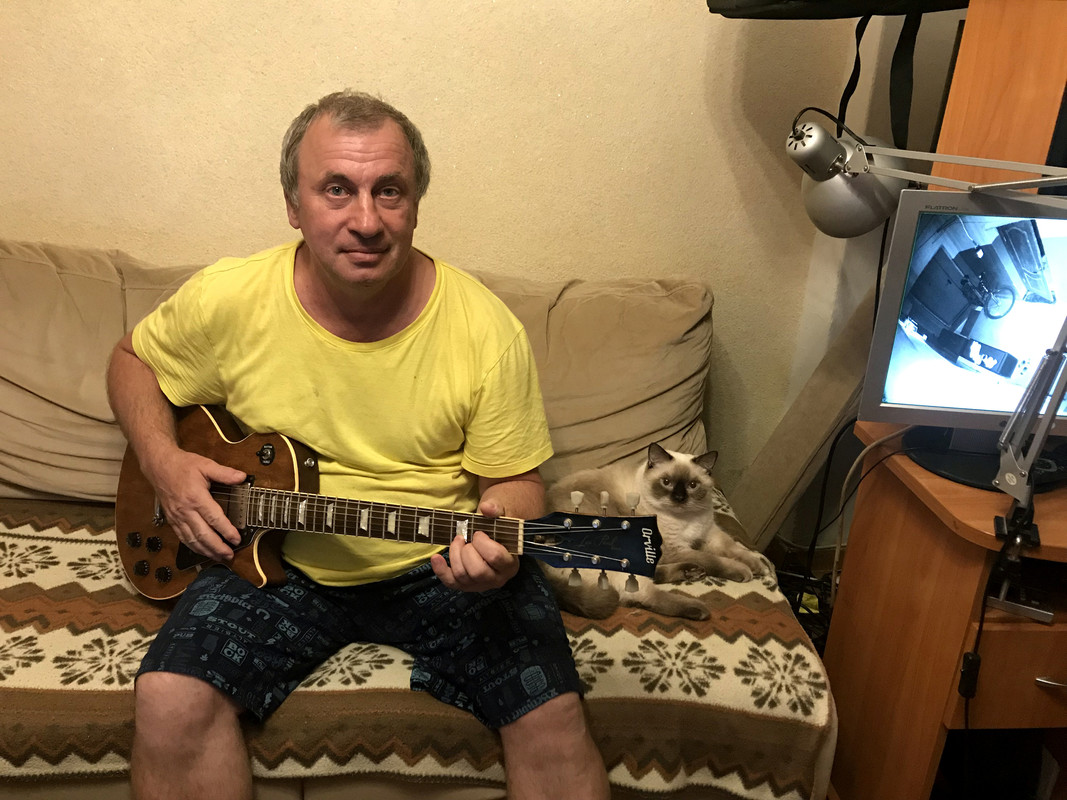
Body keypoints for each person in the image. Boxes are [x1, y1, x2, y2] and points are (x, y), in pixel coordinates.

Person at [106, 89, 610, 800]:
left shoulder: (485, 328)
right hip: (272, 555)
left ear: (416, 203)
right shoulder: (231, 296)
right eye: (336, 189)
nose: (366, 220)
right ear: (293, 204)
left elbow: (517, 482)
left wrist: (498, 546)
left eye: (389, 191)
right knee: (169, 699)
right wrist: (163, 461)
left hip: (436, 561)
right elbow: (132, 360)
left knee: (554, 721)